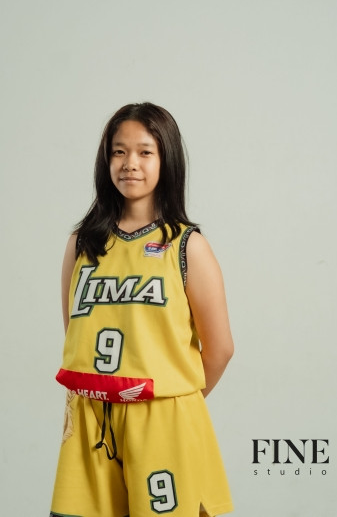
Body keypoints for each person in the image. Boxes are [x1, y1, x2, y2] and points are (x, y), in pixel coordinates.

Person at [50, 102, 234, 517]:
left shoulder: (187, 246)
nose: (130, 163)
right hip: (91, 416)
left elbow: (220, 348)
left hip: (161, 415)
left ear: (166, 160)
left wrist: (170, 398)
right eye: (119, 151)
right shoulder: (82, 243)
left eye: (145, 152)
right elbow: (75, 332)